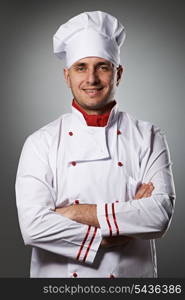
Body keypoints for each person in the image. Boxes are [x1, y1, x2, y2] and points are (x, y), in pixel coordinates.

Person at [15, 11, 176, 278]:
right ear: (67, 76)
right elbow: (33, 227)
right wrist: (115, 230)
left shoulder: (149, 135)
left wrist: (74, 213)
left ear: (118, 73)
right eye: (81, 67)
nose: (91, 79)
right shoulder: (40, 143)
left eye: (102, 66)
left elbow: (159, 215)